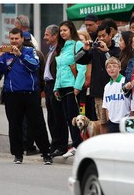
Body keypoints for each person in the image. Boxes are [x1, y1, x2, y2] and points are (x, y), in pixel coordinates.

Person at [0, 27, 52, 164]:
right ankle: (17, 155)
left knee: (37, 124)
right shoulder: (5, 54)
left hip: (30, 94)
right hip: (12, 95)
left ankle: (46, 153)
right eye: (12, 39)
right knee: (14, 125)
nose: (14, 41)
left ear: (22, 39)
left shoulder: (30, 51)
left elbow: (34, 65)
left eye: (17, 38)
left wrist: (20, 55)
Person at [76, 19, 121, 134]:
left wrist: (106, 51)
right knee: (102, 122)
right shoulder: (94, 49)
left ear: (111, 34)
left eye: (104, 36)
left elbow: (116, 64)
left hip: (116, 92)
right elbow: (78, 60)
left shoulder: (117, 50)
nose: (101, 39)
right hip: (99, 92)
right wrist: (85, 49)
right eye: (99, 37)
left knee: (116, 121)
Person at [54, 20, 86, 158]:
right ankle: (75, 144)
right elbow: (59, 69)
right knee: (68, 118)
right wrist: (56, 87)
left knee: (74, 117)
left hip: (72, 87)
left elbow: (82, 67)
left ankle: (78, 145)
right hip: (61, 87)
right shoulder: (61, 48)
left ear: (71, 30)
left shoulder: (77, 45)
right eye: (61, 31)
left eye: (65, 30)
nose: (62, 33)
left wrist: (77, 87)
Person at [43, 24, 69, 157]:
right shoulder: (51, 50)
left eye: (47, 35)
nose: (44, 37)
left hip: (56, 85)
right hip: (48, 86)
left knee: (59, 116)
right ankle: (54, 144)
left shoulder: (60, 50)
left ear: (55, 36)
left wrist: (56, 87)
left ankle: (62, 146)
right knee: (51, 117)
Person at [102, 57, 131, 133]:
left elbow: (131, 101)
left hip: (126, 120)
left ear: (119, 68)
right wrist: (109, 120)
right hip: (112, 122)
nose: (112, 69)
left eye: (114, 66)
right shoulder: (107, 86)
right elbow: (106, 106)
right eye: (109, 67)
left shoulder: (125, 81)